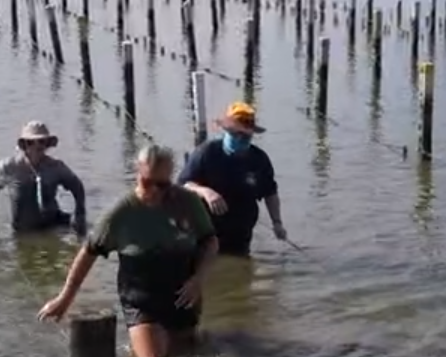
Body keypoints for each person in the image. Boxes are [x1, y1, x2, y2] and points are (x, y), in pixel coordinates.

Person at [38, 145, 218, 357]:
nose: (153, 190)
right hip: (142, 299)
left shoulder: (188, 202)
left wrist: (199, 278)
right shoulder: (122, 213)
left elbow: (210, 242)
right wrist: (65, 299)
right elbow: (89, 252)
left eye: (162, 184)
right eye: (147, 182)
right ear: (137, 174)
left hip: (183, 297)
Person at [177, 101, 286, 258]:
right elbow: (183, 185)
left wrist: (277, 223)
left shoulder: (259, 159)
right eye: (236, 134)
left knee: (239, 268)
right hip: (207, 228)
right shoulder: (207, 153)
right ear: (226, 131)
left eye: (245, 135)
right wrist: (206, 192)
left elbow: (270, 192)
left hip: (241, 231)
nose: (241, 138)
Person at [0, 121, 87, 236]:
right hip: (23, 229)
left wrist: (80, 213)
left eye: (42, 141)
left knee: (85, 231)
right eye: (31, 142)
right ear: (24, 145)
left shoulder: (56, 167)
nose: (37, 146)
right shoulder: (9, 167)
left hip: (52, 224)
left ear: (47, 144)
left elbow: (77, 186)